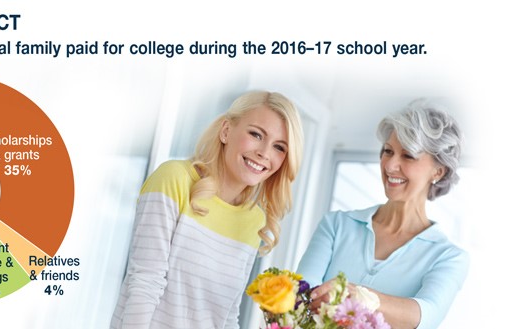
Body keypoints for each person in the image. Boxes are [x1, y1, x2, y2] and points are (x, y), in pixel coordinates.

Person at [110, 91, 304, 329]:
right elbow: (144, 283)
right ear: (226, 131)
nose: (264, 153)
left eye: (279, 147)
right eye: (256, 134)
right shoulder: (174, 179)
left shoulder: (254, 220)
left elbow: (227, 314)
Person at [297, 99, 469, 329]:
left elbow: (425, 316)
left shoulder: (448, 257)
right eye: (388, 151)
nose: (390, 166)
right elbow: (300, 296)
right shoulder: (336, 225)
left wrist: (358, 297)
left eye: (408, 155)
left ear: (438, 171)